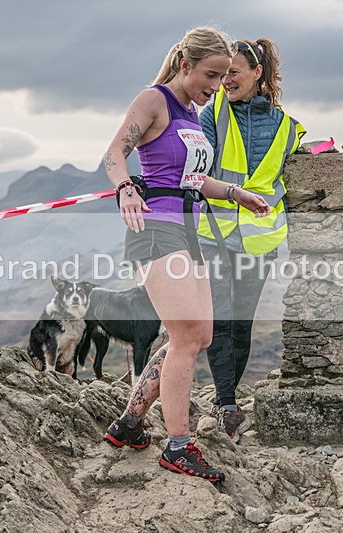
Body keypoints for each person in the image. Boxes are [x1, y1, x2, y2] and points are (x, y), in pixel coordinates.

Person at [100, 27, 271, 483]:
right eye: (210, 75)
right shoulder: (153, 100)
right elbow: (115, 152)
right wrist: (125, 190)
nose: (215, 87)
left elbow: (192, 181)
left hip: (188, 234)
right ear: (185, 65)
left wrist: (237, 194)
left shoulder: (193, 116)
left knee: (196, 335)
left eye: (222, 78)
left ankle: (130, 424)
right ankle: (178, 445)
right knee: (189, 336)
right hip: (154, 231)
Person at [197, 38, 305, 441]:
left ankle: (228, 398)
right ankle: (226, 402)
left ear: (257, 73)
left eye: (234, 73)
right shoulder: (212, 115)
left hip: (258, 241)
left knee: (241, 324)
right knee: (219, 320)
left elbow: (290, 183)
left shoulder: (287, 128)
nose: (226, 81)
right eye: (222, 74)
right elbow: (197, 172)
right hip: (215, 235)